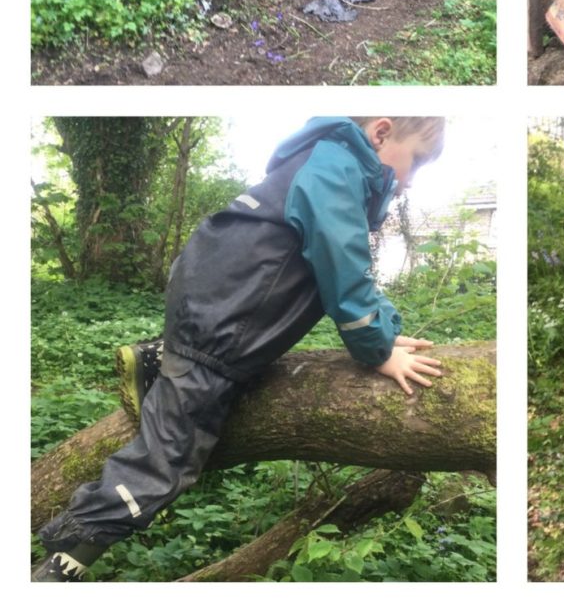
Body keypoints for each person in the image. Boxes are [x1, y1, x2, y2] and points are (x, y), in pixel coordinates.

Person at [33, 117, 445, 582]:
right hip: (221, 330)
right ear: (382, 133)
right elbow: (344, 273)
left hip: (208, 307)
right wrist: (378, 350)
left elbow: (352, 272)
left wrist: (385, 331)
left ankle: (160, 361)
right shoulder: (337, 172)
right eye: (415, 162)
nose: (410, 180)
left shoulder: (321, 162)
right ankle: (70, 552)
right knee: (167, 463)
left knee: (205, 382)